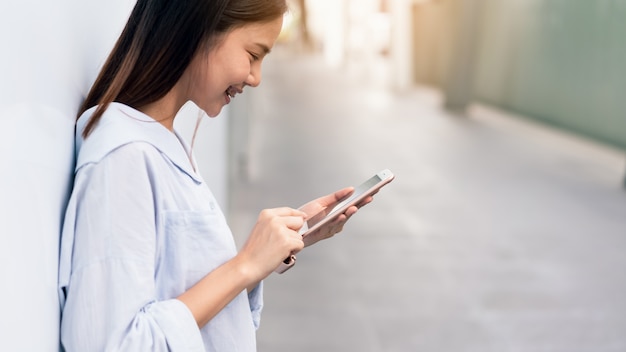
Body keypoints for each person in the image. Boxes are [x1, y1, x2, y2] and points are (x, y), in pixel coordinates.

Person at [58, 0, 372, 351]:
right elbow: (108, 342)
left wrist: (276, 246)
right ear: (198, 29)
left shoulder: (159, 140)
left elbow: (177, 284)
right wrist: (245, 264)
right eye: (253, 55)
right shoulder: (124, 158)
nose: (256, 78)